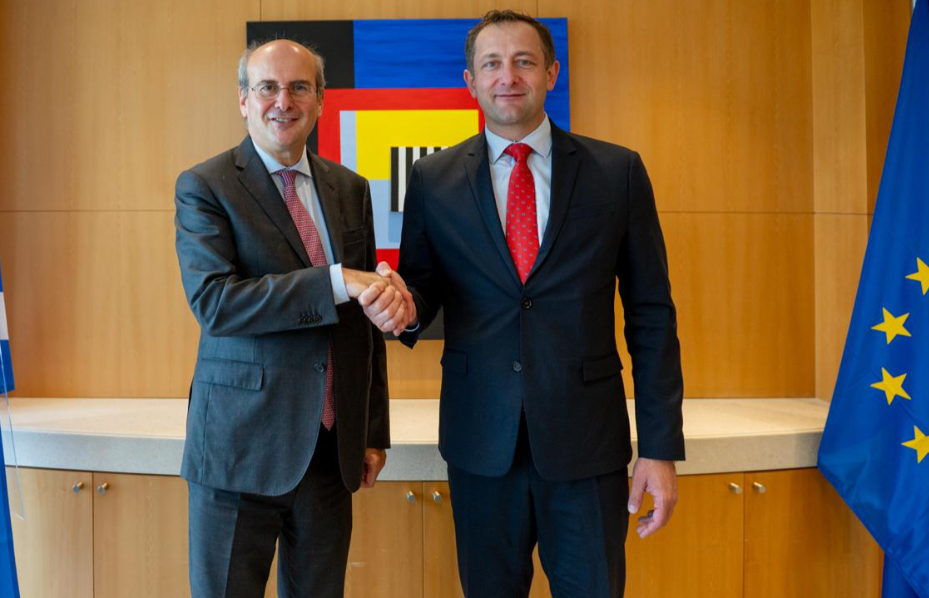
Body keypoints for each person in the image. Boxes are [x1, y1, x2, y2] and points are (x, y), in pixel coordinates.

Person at [370, 10, 685, 598]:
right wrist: (402, 309)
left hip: (588, 446)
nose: (508, 77)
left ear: (551, 73)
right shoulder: (433, 179)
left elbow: (651, 315)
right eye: (492, 64)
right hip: (480, 442)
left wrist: (660, 448)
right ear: (470, 80)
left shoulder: (616, 171)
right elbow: (422, 291)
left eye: (523, 62)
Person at [173, 39, 406, 598]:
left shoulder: (349, 188)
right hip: (239, 450)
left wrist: (372, 432)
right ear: (243, 100)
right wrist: (336, 281)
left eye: (300, 87)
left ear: (320, 100)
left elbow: (362, 325)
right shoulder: (205, 186)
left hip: (330, 454)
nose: (284, 101)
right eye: (268, 88)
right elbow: (217, 302)